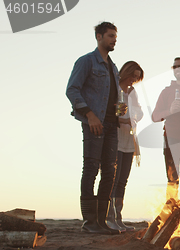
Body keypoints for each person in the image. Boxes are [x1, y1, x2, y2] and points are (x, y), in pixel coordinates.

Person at [66, 21, 123, 235]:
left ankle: (101, 221)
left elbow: (112, 96)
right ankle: (89, 222)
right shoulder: (87, 61)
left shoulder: (113, 67)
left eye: (115, 36)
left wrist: (119, 110)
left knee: (110, 171)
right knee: (91, 168)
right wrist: (90, 115)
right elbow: (72, 90)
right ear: (99, 37)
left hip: (111, 124)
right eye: (110, 36)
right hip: (94, 123)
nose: (114, 39)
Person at [106, 61, 144, 232]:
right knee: (112, 180)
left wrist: (134, 116)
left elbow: (139, 112)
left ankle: (118, 217)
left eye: (136, 78)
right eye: (132, 76)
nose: (133, 80)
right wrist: (121, 118)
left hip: (129, 140)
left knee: (122, 181)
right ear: (125, 73)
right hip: (115, 139)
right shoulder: (114, 88)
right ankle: (109, 217)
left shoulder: (132, 92)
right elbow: (111, 113)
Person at [152, 57, 180, 201]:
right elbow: (155, 116)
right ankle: (171, 210)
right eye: (175, 67)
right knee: (172, 177)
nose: (177, 69)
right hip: (171, 138)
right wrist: (170, 111)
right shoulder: (166, 92)